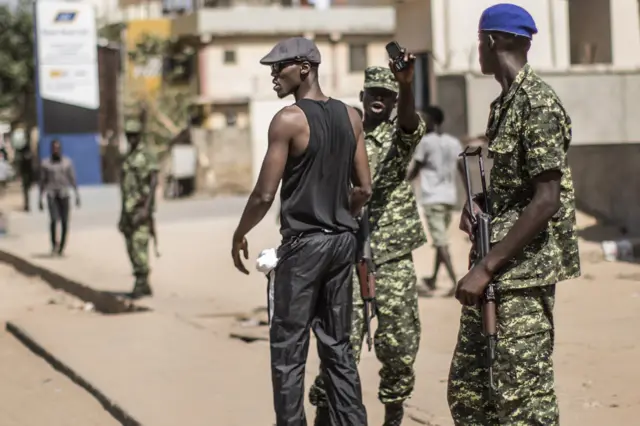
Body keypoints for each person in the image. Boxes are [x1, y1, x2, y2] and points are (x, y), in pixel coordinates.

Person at [447, 4, 581, 425]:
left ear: (490, 41)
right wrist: (480, 206)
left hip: (521, 275)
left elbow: (546, 200)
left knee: (523, 402)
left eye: (479, 42)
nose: (478, 51)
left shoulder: (536, 104)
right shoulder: (504, 104)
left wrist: (486, 267)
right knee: (470, 396)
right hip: (497, 270)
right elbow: (515, 190)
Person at [231, 37, 371, 426]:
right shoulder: (351, 117)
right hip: (343, 242)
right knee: (338, 347)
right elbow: (364, 189)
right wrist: (341, 215)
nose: (273, 75)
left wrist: (239, 233)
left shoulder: (289, 120)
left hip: (304, 248)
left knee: (288, 350)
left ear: (305, 68)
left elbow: (263, 194)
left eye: (280, 67)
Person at [309, 60, 427, 425]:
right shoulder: (341, 134)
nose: (380, 100)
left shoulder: (399, 134)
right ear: (362, 97)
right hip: (345, 251)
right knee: (340, 344)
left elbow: (409, 122)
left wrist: (406, 86)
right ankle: (326, 414)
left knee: (399, 344)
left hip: (391, 253)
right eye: (374, 94)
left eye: (387, 96)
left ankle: (393, 413)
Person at [406, 106, 463, 297]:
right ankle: (433, 278)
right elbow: (462, 168)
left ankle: (456, 282)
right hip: (449, 197)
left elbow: (416, 169)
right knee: (442, 240)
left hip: (432, 198)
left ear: (434, 122)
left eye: (424, 119)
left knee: (440, 242)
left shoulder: (426, 143)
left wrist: (403, 182)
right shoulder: (453, 142)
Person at [118, 118, 159, 299]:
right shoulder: (128, 156)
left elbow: (154, 180)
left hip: (141, 207)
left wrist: (146, 209)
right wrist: (122, 214)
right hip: (127, 209)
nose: (131, 139)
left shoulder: (147, 155)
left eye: (134, 135)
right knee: (130, 246)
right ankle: (142, 281)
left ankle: (141, 281)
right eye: (128, 135)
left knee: (139, 244)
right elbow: (125, 187)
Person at [38, 139, 80, 256]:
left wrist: (77, 195)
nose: (56, 150)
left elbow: (72, 179)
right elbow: (42, 181)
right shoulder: (45, 164)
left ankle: (62, 246)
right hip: (51, 194)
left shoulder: (67, 163)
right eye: (54, 148)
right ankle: (53, 245)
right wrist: (40, 198)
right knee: (53, 220)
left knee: (65, 221)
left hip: (64, 194)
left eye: (58, 148)